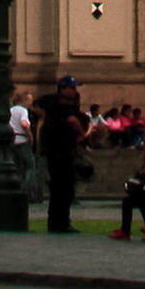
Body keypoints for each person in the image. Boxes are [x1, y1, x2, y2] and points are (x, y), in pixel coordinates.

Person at [41, 79, 86, 235]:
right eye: (72, 88)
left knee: (56, 189)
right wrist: (82, 134)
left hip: (53, 152)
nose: (74, 91)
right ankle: (63, 222)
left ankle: (54, 222)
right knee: (65, 189)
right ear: (63, 89)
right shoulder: (65, 106)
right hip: (63, 151)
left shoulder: (51, 104)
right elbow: (72, 120)